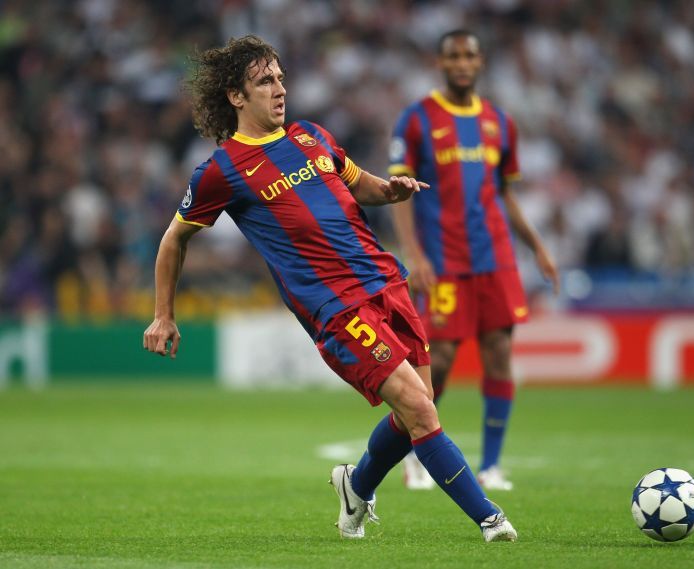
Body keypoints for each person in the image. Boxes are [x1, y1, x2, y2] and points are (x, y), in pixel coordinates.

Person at [142, 35, 517, 542]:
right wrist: (164, 314)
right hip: (335, 308)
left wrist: (391, 190)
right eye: (264, 81)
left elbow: (359, 182)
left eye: (279, 78)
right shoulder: (221, 171)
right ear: (236, 96)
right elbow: (173, 241)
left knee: (417, 410)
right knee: (421, 409)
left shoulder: (310, 135)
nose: (279, 89)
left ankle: (356, 486)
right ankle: (490, 519)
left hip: (387, 282)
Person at [389, 30, 559, 491]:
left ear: (480, 62)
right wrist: (414, 254)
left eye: (469, 56)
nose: (462, 63)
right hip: (443, 259)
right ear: (440, 62)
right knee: (438, 359)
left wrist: (538, 247)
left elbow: (503, 193)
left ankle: (491, 465)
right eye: (453, 56)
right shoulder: (417, 120)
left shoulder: (499, 123)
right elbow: (400, 193)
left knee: (499, 354)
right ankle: (417, 454)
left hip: (495, 256)